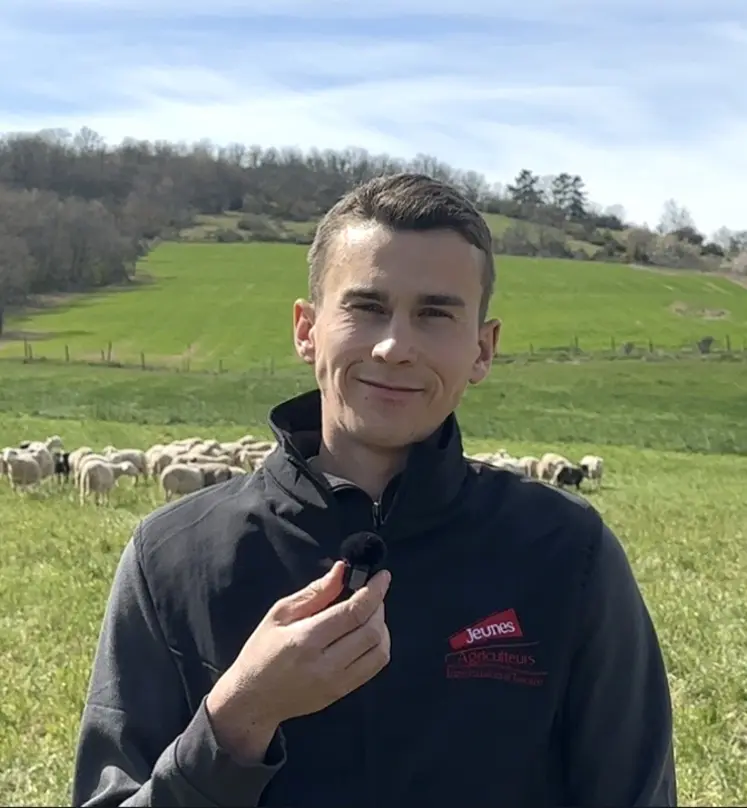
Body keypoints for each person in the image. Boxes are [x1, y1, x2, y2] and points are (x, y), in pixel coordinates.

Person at [71, 173, 677, 807]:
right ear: (307, 329)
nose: (394, 346)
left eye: (435, 314)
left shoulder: (566, 554)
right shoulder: (173, 558)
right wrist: (239, 718)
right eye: (367, 308)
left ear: (482, 348)